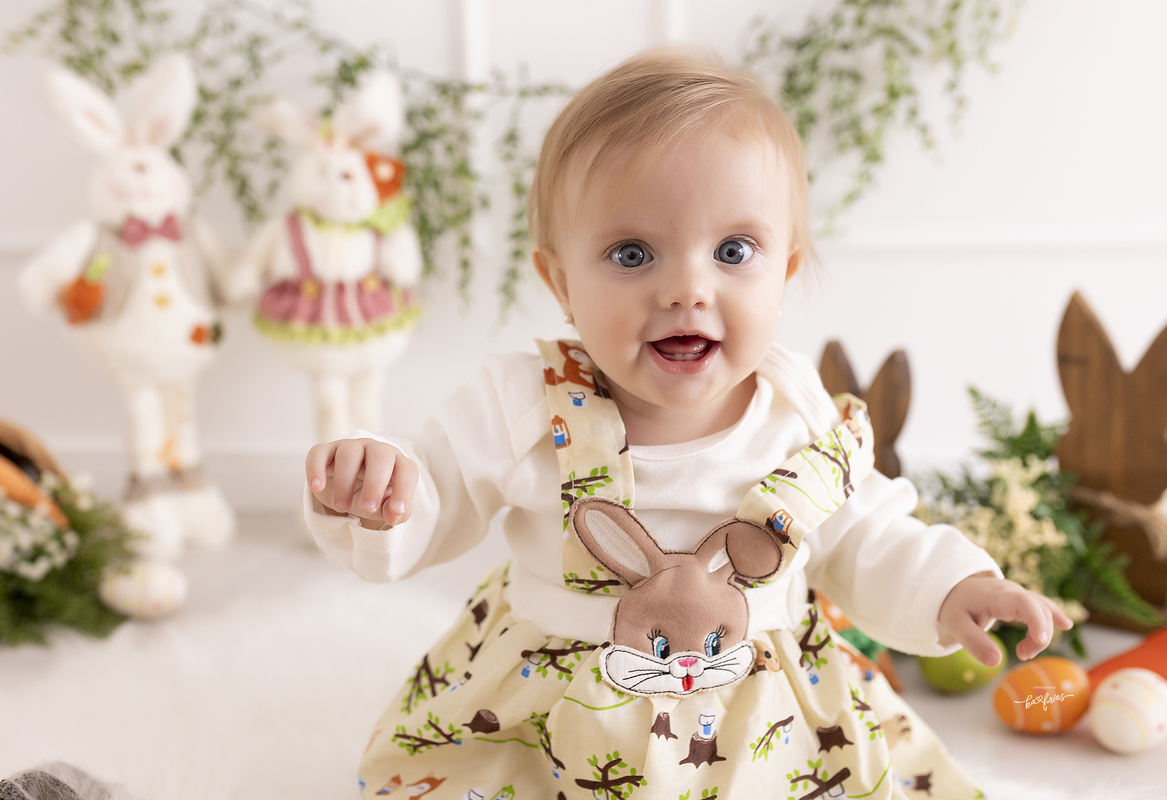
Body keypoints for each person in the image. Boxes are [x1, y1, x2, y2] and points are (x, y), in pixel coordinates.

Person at [303, 47, 1072, 799]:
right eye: (632, 253)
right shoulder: (523, 401)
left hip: (762, 719)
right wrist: (383, 490)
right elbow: (437, 490)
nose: (687, 288)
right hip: (553, 719)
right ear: (560, 282)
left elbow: (867, 536)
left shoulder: (795, 410)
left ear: (784, 271)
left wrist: (954, 587)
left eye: (733, 250)